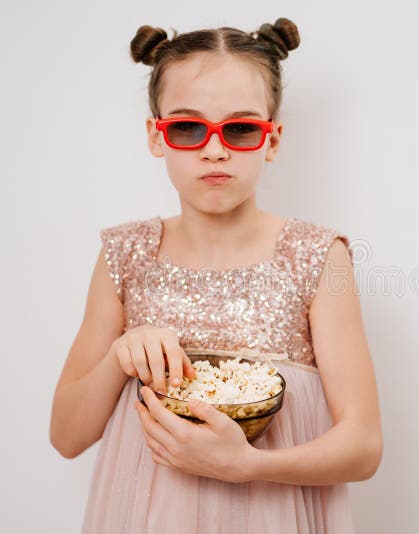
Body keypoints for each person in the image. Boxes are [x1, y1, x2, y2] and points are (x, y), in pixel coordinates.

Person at [49, 18, 383, 533]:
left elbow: (362, 446)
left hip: (271, 517)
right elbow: (66, 435)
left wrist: (248, 466)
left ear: (272, 139)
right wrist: (121, 354)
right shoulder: (126, 254)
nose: (214, 149)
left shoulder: (316, 256)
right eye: (187, 127)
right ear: (155, 136)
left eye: (241, 128)